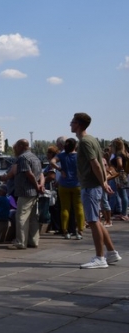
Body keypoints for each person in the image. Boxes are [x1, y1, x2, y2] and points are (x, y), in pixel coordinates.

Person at [71, 114, 121, 269]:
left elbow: (96, 164)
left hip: (90, 186)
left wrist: (103, 182)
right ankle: (111, 252)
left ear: (78, 124)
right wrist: (104, 182)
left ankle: (100, 257)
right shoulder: (92, 139)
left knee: (92, 221)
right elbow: (100, 163)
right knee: (97, 221)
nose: (70, 124)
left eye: (72, 122)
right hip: (94, 185)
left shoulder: (85, 142)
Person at [10, 139, 44, 250]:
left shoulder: (23, 158)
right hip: (35, 192)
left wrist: (35, 185)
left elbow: (28, 173)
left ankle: (21, 242)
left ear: (21, 146)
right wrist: (40, 186)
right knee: (33, 218)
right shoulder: (35, 157)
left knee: (21, 217)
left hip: (26, 191)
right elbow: (41, 174)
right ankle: (33, 241)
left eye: (16, 147)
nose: (15, 149)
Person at [109, 138, 128, 221]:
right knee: (123, 195)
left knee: (123, 195)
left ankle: (124, 214)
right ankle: (123, 213)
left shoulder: (118, 154)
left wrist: (116, 170)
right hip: (123, 175)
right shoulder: (125, 153)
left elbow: (119, 164)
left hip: (119, 175)